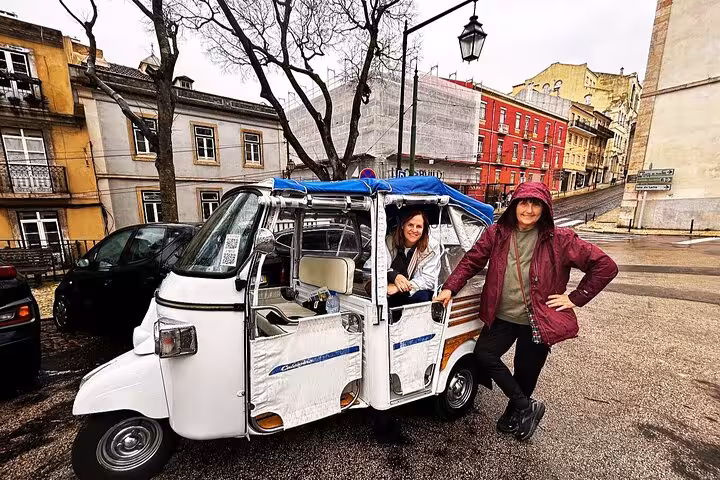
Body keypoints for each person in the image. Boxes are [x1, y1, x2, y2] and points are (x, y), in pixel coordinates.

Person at [434, 181, 618, 441]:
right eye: (524, 202)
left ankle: (516, 413)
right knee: (483, 354)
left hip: (537, 319)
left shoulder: (561, 239)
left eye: (536, 204)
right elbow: (472, 260)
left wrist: (575, 298)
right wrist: (450, 288)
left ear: (545, 209)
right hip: (502, 316)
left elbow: (605, 266)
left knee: (525, 370)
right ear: (514, 205)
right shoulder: (496, 233)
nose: (529, 209)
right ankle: (525, 405)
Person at [385, 210, 441, 309]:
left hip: (414, 289)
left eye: (419, 226)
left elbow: (429, 279)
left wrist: (401, 286)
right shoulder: (390, 241)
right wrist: (393, 275)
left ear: (424, 230)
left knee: (421, 297)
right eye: (410, 225)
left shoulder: (432, 247)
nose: (414, 230)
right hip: (389, 286)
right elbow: (375, 266)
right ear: (403, 226)